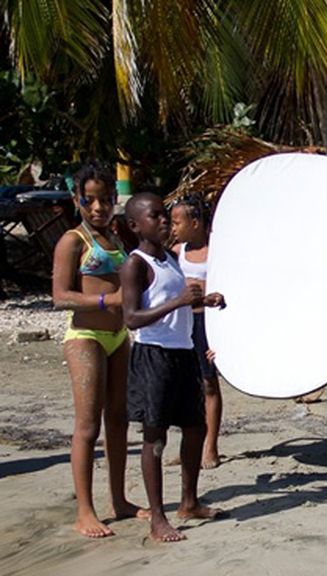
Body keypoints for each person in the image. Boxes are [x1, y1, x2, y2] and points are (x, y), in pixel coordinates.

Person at [121, 193, 225, 542]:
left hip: (182, 352)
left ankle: (189, 501)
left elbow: (176, 303)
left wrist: (203, 301)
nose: (164, 221)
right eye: (155, 216)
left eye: (165, 215)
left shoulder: (169, 257)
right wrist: (179, 300)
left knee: (195, 427)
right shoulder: (135, 264)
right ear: (135, 225)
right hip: (154, 356)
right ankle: (158, 517)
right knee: (155, 436)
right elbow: (132, 318)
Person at [52, 162, 145, 538]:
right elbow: (60, 296)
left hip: (118, 338)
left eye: (105, 200)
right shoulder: (74, 240)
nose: (98, 208)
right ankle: (85, 510)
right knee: (88, 426)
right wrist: (108, 300)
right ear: (77, 200)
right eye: (90, 200)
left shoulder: (117, 237)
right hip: (86, 338)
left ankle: (119, 499)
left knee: (119, 421)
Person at [170, 195, 222, 470]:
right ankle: (189, 444)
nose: (173, 227)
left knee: (208, 383)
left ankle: (210, 445)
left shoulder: (216, 252)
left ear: (195, 222)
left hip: (207, 323)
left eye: (178, 222)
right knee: (185, 386)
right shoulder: (177, 252)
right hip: (183, 322)